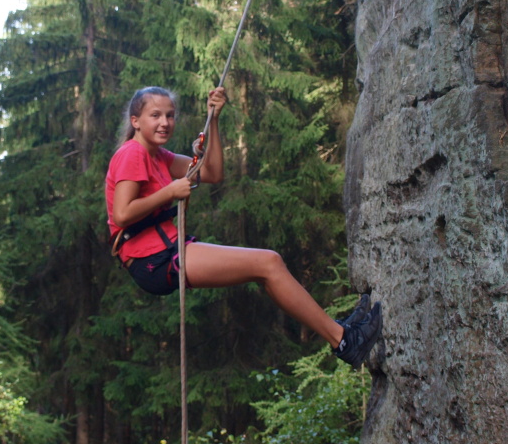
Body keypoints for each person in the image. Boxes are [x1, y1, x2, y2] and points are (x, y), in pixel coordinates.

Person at [105, 85, 381, 368]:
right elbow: (122, 214)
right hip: (152, 258)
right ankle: (343, 340)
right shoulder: (133, 154)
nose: (165, 122)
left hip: (166, 251)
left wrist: (213, 120)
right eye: (155, 115)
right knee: (268, 263)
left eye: (170, 115)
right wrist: (170, 192)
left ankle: (341, 334)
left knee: (268, 265)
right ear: (135, 121)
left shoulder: (158, 156)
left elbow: (212, 172)